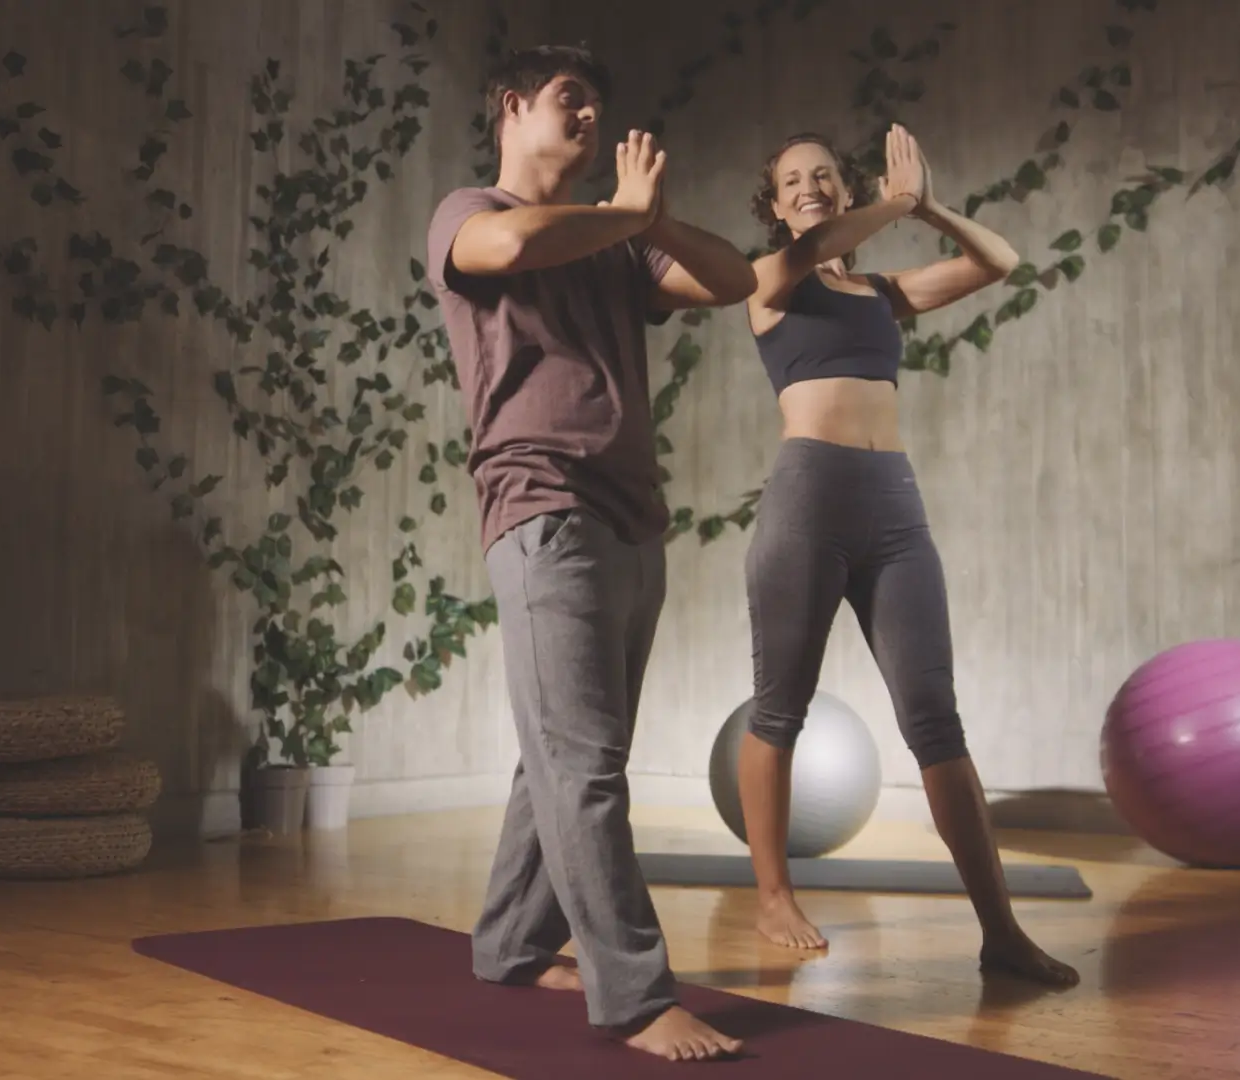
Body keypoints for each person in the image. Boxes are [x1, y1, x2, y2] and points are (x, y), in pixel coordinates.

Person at [424, 45, 758, 1062]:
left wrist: (649, 222)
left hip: (629, 515)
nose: (590, 119)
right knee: (586, 762)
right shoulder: (465, 209)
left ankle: (513, 943)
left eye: (599, 107)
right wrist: (624, 214)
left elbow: (736, 278)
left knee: (563, 754)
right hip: (542, 505)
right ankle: (635, 995)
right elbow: (507, 245)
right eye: (571, 100)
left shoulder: (617, 246)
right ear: (513, 107)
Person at [733, 123, 1081, 988]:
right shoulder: (764, 281)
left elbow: (996, 260)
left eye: (824, 176)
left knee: (936, 720)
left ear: (844, 190)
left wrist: (925, 205)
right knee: (780, 708)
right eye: (793, 181)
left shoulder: (880, 292)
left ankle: (1000, 931)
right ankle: (772, 893)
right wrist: (892, 205)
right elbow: (813, 252)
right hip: (808, 500)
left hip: (895, 510)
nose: (810, 186)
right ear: (776, 208)